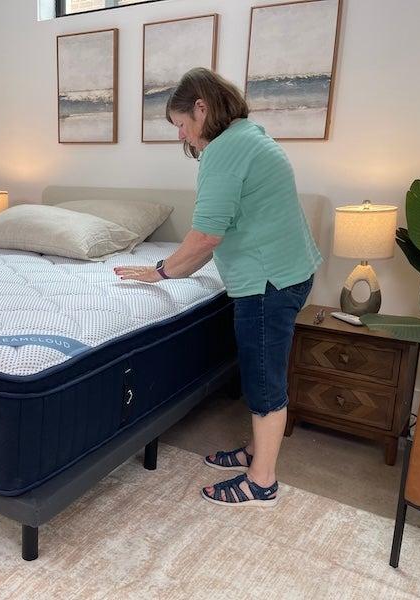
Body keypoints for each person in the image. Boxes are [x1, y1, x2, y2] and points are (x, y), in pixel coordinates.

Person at [114, 68, 322, 508]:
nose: (182, 136)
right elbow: (219, 232)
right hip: (290, 271)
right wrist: (174, 267)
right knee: (263, 372)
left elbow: (206, 236)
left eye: (182, 124)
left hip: (268, 282)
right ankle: (254, 452)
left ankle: (261, 480)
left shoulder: (225, 152)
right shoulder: (249, 135)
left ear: (202, 108)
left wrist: (162, 272)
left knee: (264, 382)